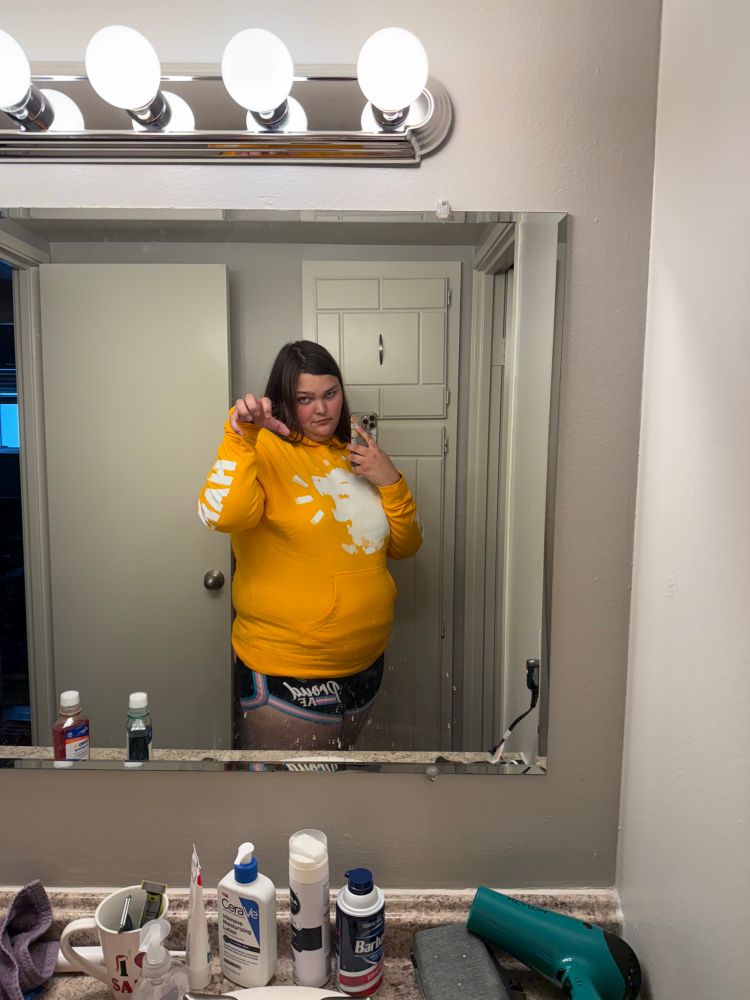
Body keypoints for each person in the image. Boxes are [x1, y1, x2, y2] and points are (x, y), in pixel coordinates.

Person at [197, 340, 422, 752]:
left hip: (366, 662)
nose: (322, 409)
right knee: (292, 804)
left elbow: (405, 546)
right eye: (305, 399)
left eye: (330, 394)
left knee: (335, 786)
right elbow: (222, 516)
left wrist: (390, 479)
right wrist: (238, 436)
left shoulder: (354, 455)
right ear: (285, 400)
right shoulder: (262, 449)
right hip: (288, 669)